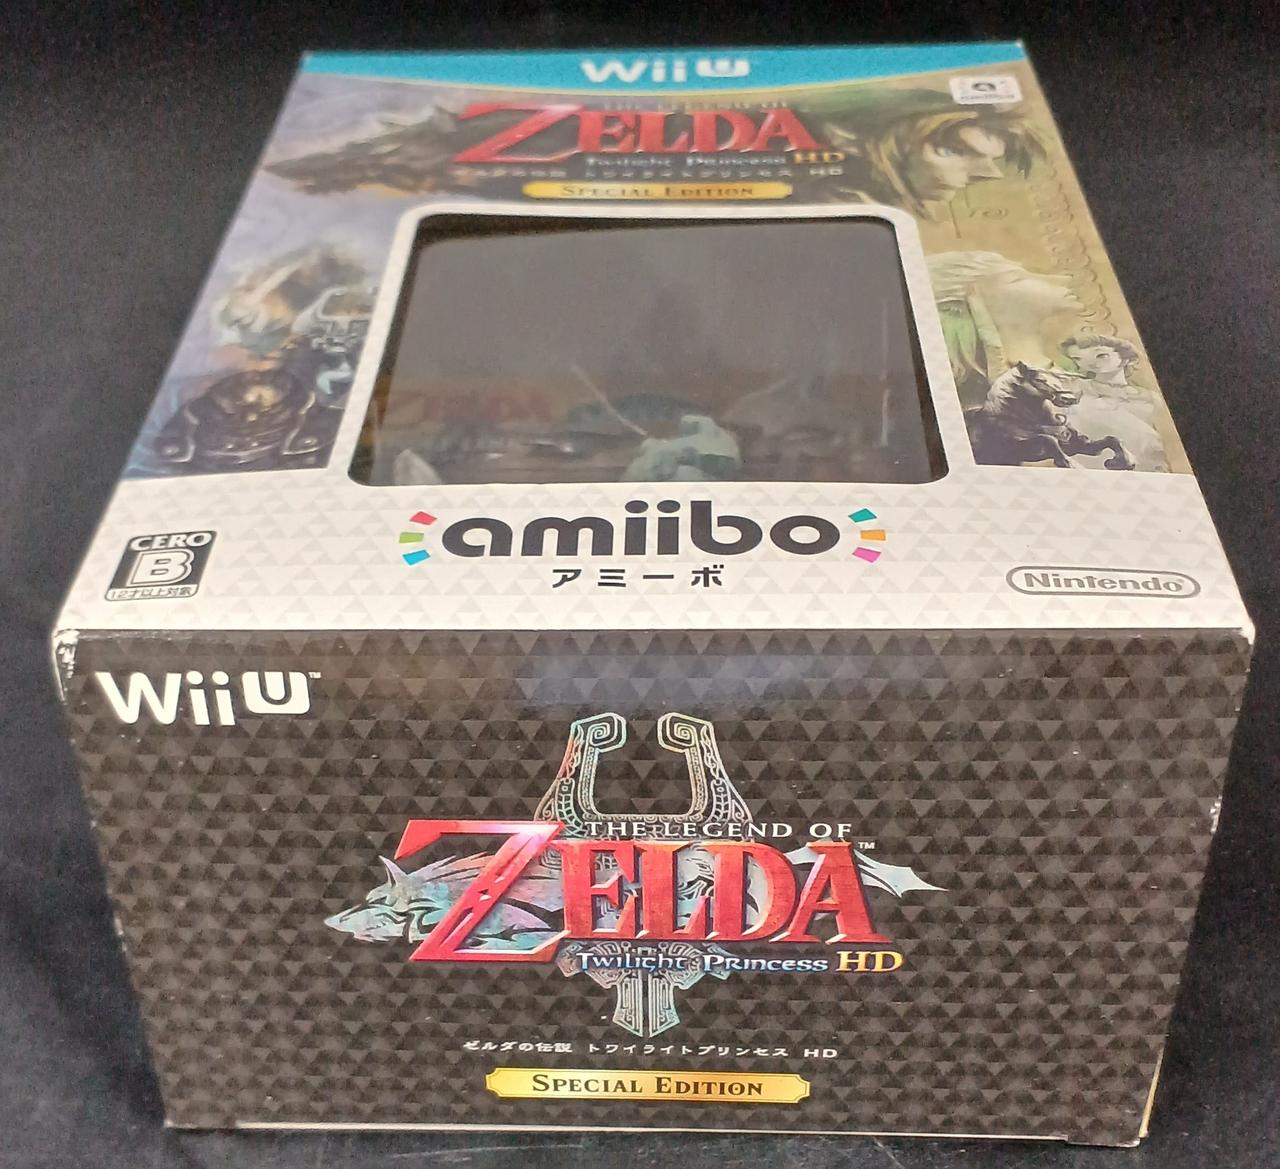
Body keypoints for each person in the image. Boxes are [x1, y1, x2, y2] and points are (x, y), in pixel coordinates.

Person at [814, 90, 1045, 218]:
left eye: (993, 159)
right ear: (846, 139)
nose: (991, 174)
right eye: (952, 150)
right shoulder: (829, 203)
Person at [1058, 333, 1168, 471]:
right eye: (1078, 359)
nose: (1090, 363)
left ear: (1125, 357)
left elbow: (1163, 437)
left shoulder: (1150, 397)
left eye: (1101, 355)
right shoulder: (1077, 387)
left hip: (1147, 464)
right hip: (1096, 462)